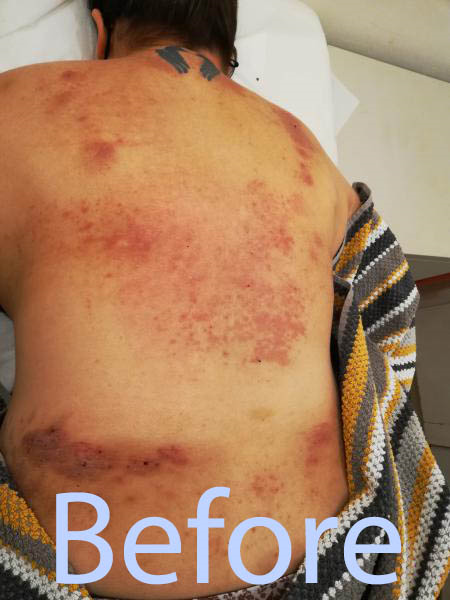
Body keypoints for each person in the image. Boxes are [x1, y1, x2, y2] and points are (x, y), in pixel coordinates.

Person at [0, 2, 448, 600]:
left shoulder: (19, 109)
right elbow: (378, 293)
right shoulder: (307, 153)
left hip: (75, 568)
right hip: (328, 569)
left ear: (100, 30)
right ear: (229, 56)